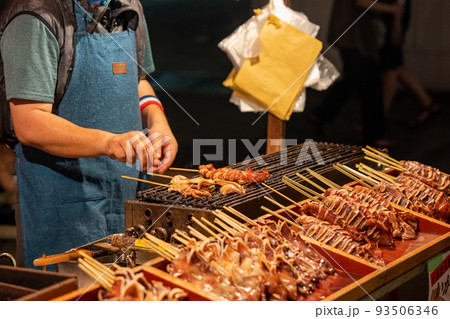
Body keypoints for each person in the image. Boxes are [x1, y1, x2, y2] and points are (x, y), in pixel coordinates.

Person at [0, 0, 178, 268]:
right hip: (64, 205)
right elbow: (29, 122)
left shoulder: (130, 8)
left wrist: (158, 121)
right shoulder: (34, 16)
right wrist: (108, 141)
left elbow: (138, 81)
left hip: (128, 195)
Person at [308, 0, 403, 147]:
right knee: (370, 82)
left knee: (354, 78)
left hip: (354, 34)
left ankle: (321, 114)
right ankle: (374, 136)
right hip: (354, 35)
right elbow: (362, 1)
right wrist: (393, 8)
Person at [380, 0, 440, 126]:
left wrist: (397, 18)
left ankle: (377, 121)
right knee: (394, 66)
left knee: (391, 67)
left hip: (394, 15)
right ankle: (428, 103)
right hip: (393, 14)